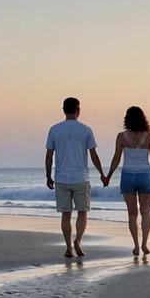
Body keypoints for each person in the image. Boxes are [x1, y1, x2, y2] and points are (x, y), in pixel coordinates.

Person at [45, 97, 105, 258]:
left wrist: (48, 176)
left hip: (62, 177)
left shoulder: (54, 129)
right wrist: (102, 174)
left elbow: (49, 156)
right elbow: (93, 155)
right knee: (82, 212)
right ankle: (78, 240)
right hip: (81, 177)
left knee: (66, 214)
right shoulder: (85, 130)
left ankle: (68, 248)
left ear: (63, 110)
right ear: (78, 110)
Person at [101, 105, 150, 256]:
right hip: (145, 176)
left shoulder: (122, 137)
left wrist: (107, 176)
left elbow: (116, 158)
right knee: (146, 212)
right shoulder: (149, 137)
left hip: (128, 176)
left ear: (127, 119)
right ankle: (145, 245)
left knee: (132, 214)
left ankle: (135, 245)